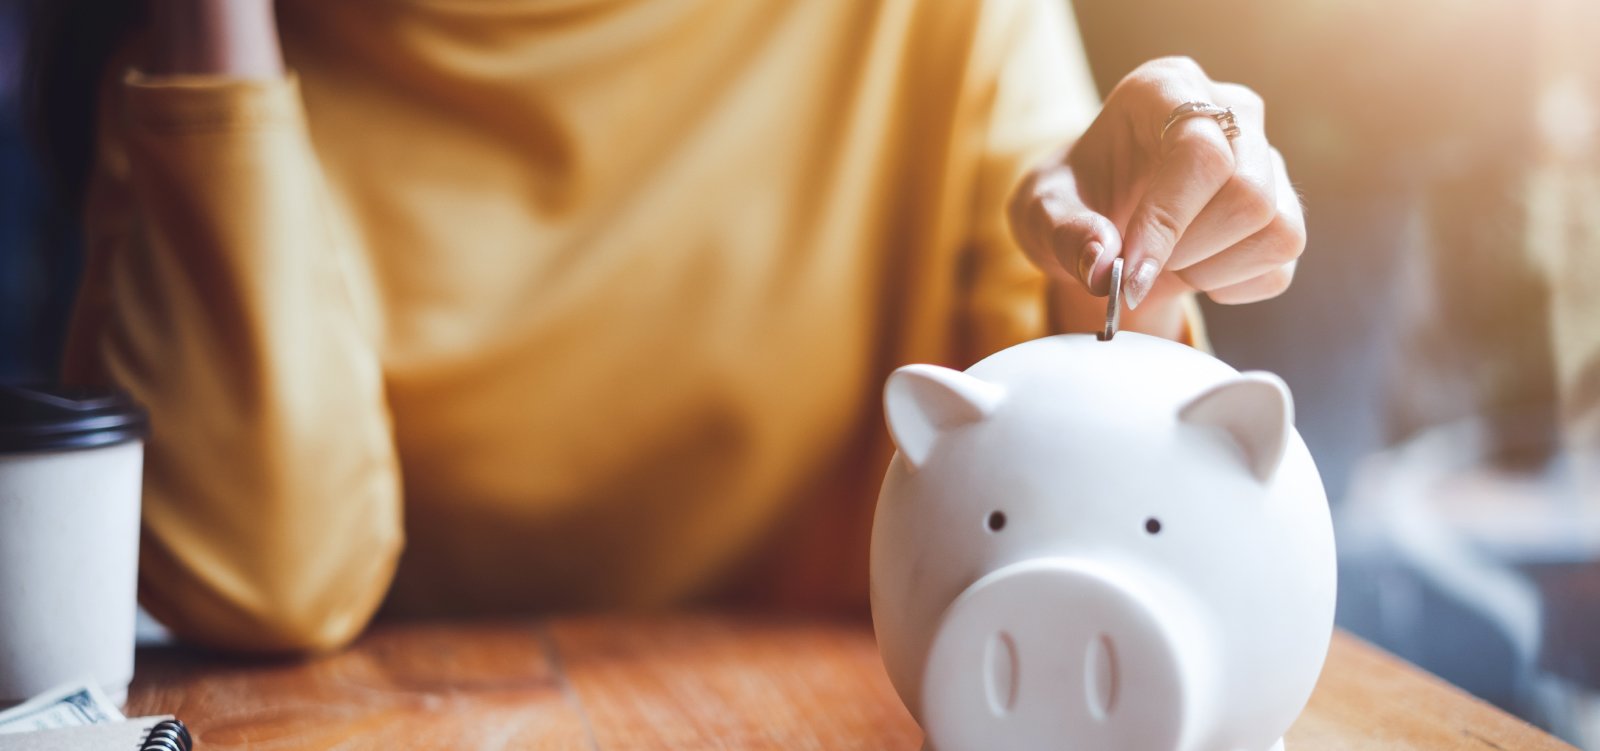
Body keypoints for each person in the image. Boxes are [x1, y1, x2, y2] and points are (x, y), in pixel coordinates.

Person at [30, 0, 1304, 653]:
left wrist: (1127, 255)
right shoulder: (224, 65)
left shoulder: (922, 20)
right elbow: (257, 583)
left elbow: (1081, 482)